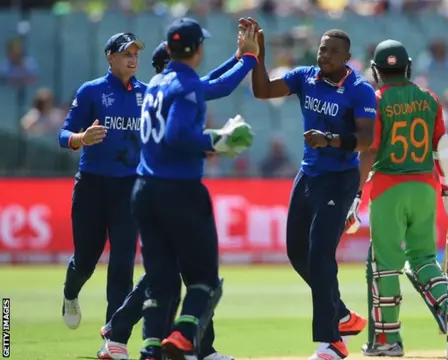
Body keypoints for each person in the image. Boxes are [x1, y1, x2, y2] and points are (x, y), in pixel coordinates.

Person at [98, 28, 258, 360]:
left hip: (146, 190)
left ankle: (154, 346)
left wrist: (241, 57)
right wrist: (217, 139)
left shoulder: (157, 85)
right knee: (202, 279)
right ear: (195, 51)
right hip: (178, 189)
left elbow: (208, 82)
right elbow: (201, 102)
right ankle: (184, 339)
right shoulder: (183, 89)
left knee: (161, 281)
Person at [250, 18, 375, 360]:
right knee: (296, 252)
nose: (325, 56)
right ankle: (344, 315)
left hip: (339, 178)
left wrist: (331, 140)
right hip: (308, 175)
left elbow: (366, 140)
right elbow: (263, 91)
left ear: (346, 57)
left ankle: (331, 340)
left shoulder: (359, 89)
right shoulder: (305, 76)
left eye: (334, 52)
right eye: (322, 49)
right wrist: (257, 58)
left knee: (320, 256)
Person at [344, 39, 448, 356]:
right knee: (423, 259)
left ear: (375, 71)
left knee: (384, 266)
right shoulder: (429, 99)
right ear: (408, 67)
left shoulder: (376, 100)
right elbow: (441, 146)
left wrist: (355, 195)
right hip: (425, 187)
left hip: (389, 188)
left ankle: (387, 341)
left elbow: (370, 150)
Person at [58, 32, 146, 332]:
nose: (132, 59)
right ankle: (70, 293)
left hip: (129, 188)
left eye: (135, 54)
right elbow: (63, 134)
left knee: (122, 265)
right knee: (85, 260)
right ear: (110, 57)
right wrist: (80, 138)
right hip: (92, 187)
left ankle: (114, 337)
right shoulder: (91, 92)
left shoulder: (146, 94)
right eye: (126, 54)